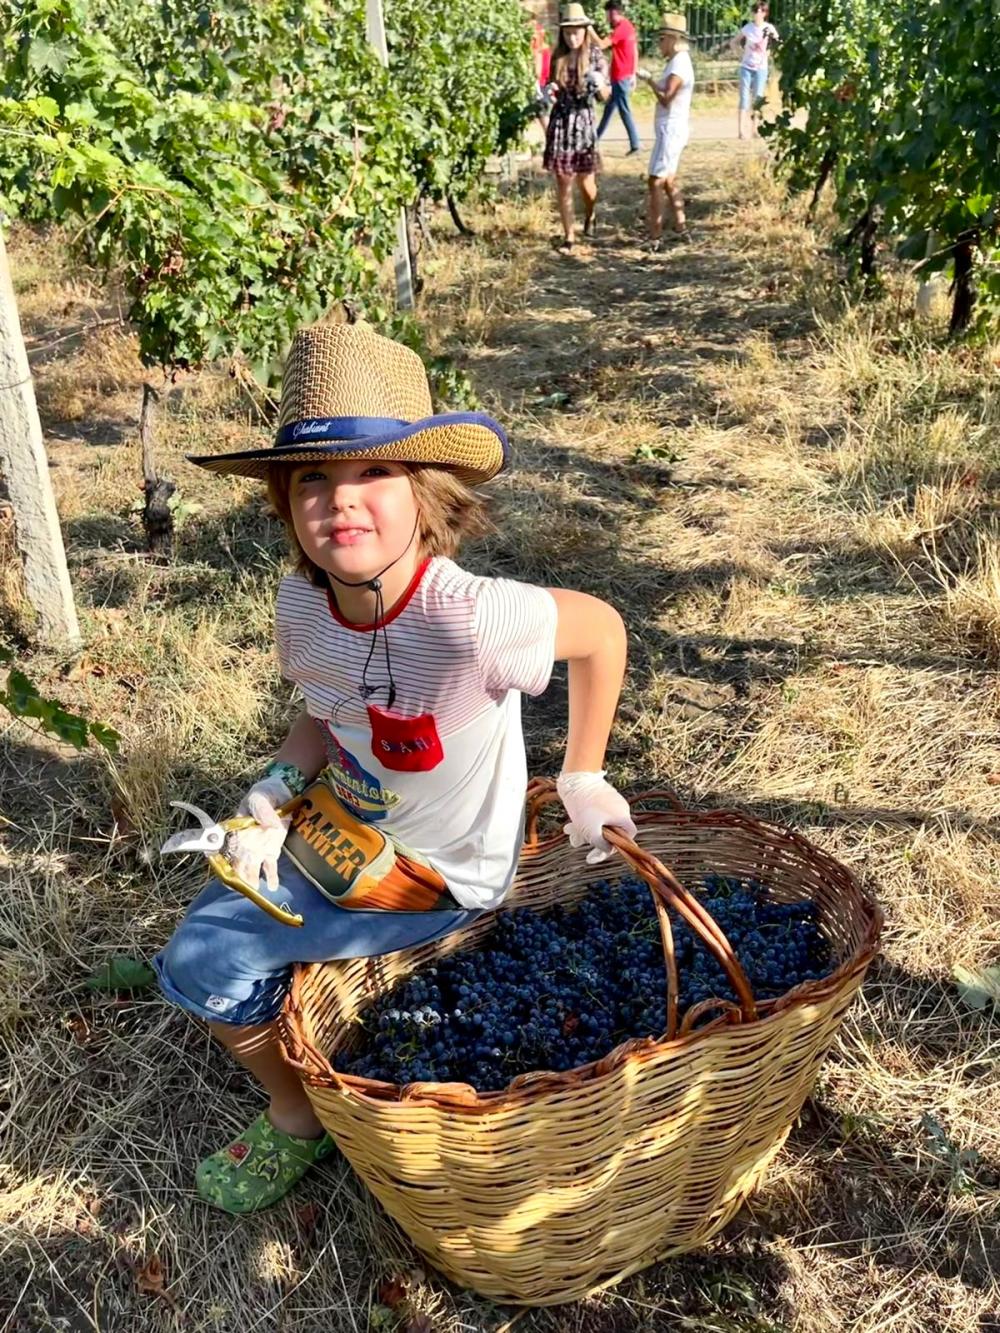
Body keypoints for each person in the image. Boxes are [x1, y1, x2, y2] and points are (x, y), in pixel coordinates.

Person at [153, 318, 636, 1213]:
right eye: (314, 478)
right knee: (218, 894)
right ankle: (272, 964)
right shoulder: (302, 607)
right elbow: (322, 716)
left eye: (375, 471)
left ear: (429, 493)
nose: (342, 499)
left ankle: (297, 1117)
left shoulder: (472, 617)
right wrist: (274, 789)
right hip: (346, 828)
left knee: (200, 962)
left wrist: (581, 773)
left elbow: (601, 630)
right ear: (286, 505)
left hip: (434, 875)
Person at [543, 3, 611, 251]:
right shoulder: (557, 56)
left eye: (577, 31)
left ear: (584, 30)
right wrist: (549, 92)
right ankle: (569, 236)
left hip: (583, 123)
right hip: (561, 122)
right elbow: (552, 86)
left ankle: (590, 213)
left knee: (586, 184)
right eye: (568, 32)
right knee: (563, 179)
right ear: (562, 32)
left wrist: (599, 82)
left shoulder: (594, 55)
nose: (573, 37)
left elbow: (606, 96)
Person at [638, 12, 694, 250]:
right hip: (671, 127)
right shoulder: (676, 62)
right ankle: (681, 227)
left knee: (655, 181)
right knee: (669, 179)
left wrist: (649, 80)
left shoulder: (680, 63)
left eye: (662, 38)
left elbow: (666, 98)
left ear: (673, 39)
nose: (659, 43)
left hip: (671, 128)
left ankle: (655, 237)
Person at [596, 2, 641, 156]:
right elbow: (635, 51)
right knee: (609, 109)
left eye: (607, 13)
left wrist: (588, 29)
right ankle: (594, 139)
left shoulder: (621, 29)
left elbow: (602, 45)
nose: (606, 17)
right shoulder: (628, 27)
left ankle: (635, 143)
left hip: (621, 76)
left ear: (614, 12)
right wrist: (633, 73)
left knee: (624, 110)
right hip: (621, 75)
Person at [736, 1, 779, 139]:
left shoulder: (768, 28)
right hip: (746, 67)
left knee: (758, 99)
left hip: (761, 68)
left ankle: (755, 129)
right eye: (755, 11)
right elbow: (733, 42)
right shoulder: (748, 28)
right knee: (744, 98)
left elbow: (777, 41)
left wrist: (770, 51)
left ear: (765, 13)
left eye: (761, 11)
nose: (757, 13)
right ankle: (741, 131)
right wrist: (739, 55)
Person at [532, 17, 553, 133]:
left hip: (539, 78)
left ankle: (551, 136)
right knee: (541, 109)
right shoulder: (539, 29)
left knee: (541, 109)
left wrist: (536, 75)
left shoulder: (534, 31)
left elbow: (537, 53)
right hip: (543, 77)